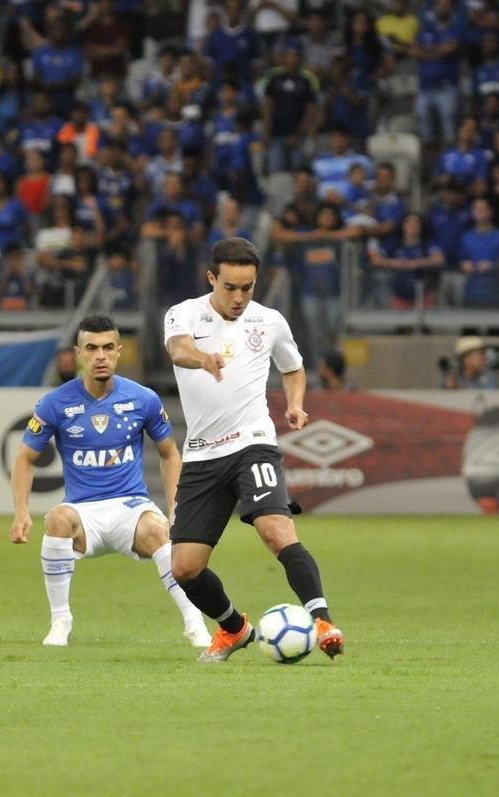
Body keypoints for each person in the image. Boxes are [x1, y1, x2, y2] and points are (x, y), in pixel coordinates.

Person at [163, 237, 343, 663]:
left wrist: (296, 403)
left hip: (253, 444)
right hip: (203, 455)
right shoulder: (184, 313)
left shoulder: (270, 321)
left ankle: (322, 621)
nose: (240, 297)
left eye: (248, 287)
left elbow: (293, 368)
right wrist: (203, 359)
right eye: (230, 287)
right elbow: (177, 348)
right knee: (184, 567)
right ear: (212, 278)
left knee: (275, 530)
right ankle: (234, 629)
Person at [9, 313, 210, 649]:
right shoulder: (55, 403)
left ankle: (195, 624)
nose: (100, 355)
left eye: (107, 347)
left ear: (119, 351)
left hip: (130, 508)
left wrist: (177, 508)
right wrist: (21, 512)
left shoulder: (143, 399)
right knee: (56, 518)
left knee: (159, 531)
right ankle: (60, 621)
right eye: (91, 348)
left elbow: (170, 454)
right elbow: (24, 458)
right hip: (84, 514)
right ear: (78, 353)